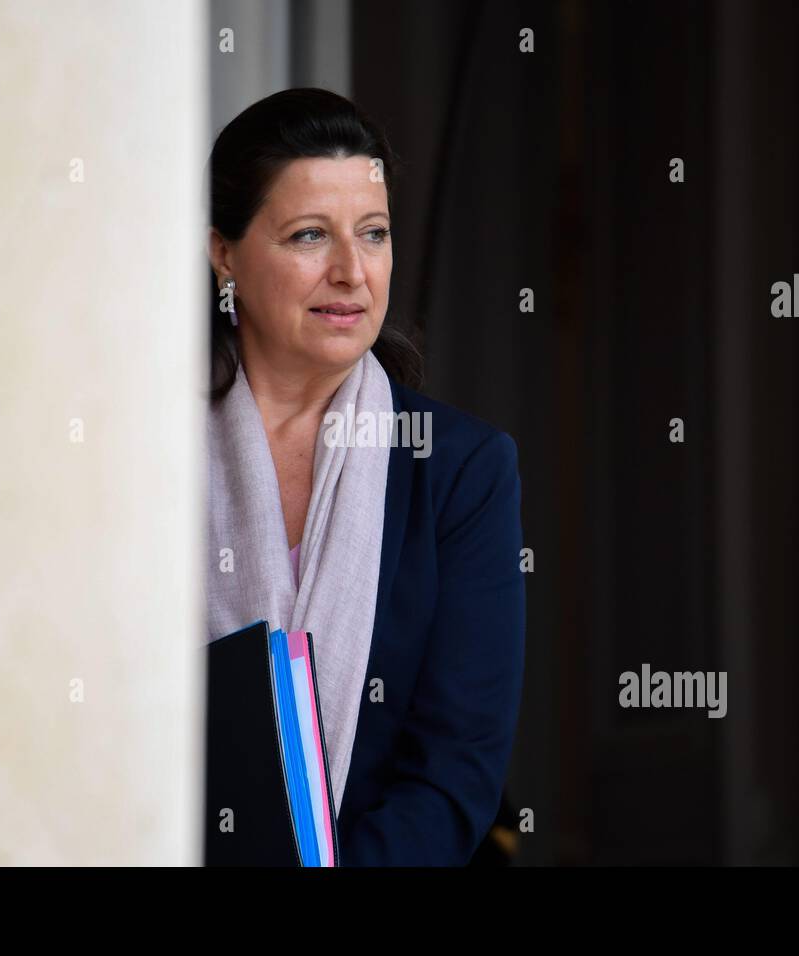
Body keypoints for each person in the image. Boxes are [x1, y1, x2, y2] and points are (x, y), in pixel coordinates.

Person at [204, 87, 525, 866]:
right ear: (225, 254)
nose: (352, 271)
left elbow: (454, 774)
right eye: (310, 235)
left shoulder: (461, 469)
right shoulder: (135, 456)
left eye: (373, 234)